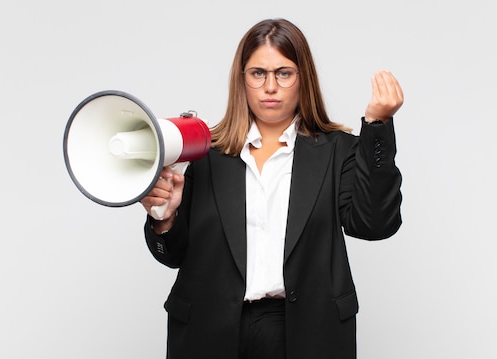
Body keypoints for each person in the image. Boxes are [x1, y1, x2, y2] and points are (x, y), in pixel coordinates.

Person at [140, 18, 403, 359]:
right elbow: (173, 255)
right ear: (242, 79)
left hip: (307, 331)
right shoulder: (204, 152)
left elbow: (374, 224)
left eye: (284, 73)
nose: (270, 87)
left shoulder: (339, 150)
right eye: (258, 73)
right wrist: (165, 219)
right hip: (211, 330)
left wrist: (377, 125)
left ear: (302, 78)